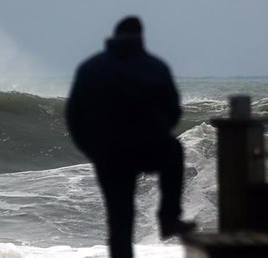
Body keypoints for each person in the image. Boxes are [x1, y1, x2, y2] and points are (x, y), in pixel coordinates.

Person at [65, 16, 195, 258]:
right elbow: (173, 111)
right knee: (173, 150)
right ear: (141, 37)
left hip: (108, 152)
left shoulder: (91, 67)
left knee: (120, 219)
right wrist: (157, 133)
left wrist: (91, 149)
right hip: (145, 147)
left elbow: (74, 115)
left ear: (114, 36)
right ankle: (168, 218)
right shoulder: (154, 67)